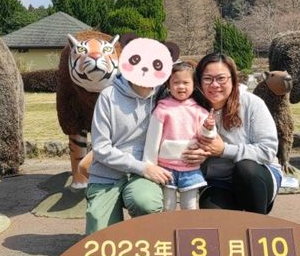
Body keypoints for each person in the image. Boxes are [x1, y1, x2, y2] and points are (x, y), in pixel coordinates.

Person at [182, 53, 282, 214]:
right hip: (217, 181)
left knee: (245, 169)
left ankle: (258, 227)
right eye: (208, 79)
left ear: (233, 79)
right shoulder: (190, 108)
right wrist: (198, 155)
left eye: (221, 78)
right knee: (219, 223)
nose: (214, 85)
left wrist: (223, 150)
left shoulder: (252, 103)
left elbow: (267, 150)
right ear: (198, 81)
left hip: (256, 176)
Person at [85, 70, 174, 235]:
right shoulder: (108, 95)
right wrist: (142, 167)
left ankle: (143, 239)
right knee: (99, 242)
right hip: (107, 175)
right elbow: (101, 148)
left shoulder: (165, 96)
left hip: (142, 176)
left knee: (146, 203)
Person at [143, 61, 217, 211]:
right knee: (167, 206)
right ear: (168, 85)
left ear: (194, 84)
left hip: (190, 167)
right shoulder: (162, 109)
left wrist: (209, 128)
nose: (181, 87)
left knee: (190, 206)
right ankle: (167, 231)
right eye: (176, 82)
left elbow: (207, 137)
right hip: (166, 168)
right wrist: (149, 164)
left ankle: (189, 232)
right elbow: (153, 139)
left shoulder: (199, 111)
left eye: (185, 82)